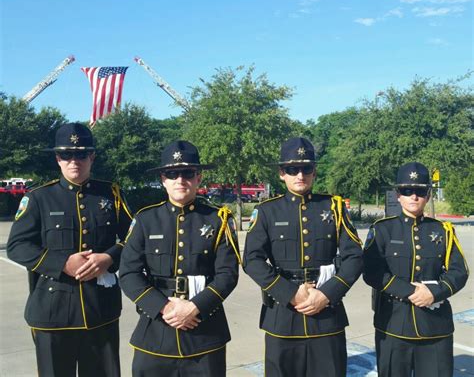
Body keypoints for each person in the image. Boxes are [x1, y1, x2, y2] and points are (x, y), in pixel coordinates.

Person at [7, 122, 133, 376]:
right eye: (67, 154)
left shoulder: (110, 194)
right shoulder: (39, 198)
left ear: (92, 156)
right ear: (57, 158)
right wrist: (62, 263)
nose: (74, 160)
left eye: (81, 154)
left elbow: (133, 238)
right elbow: (17, 246)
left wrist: (109, 257)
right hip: (52, 312)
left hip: (100, 311)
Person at [243, 137, 363, 376]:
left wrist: (327, 294)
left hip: (327, 314)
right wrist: (289, 293)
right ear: (281, 173)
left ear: (314, 171)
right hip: (283, 316)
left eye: (306, 168)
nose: (300, 175)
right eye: (292, 169)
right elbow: (251, 260)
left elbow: (355, 257)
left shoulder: (334, 207)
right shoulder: (267, 211)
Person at [119, 140, 240, 377]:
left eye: (187, 173)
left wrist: (195, 307)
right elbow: (129, 273)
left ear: (198, 177)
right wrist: (163, 308)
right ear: (163, 179)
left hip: (205, 334)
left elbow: (227, 274)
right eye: (172, 173)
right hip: (155, 333)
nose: (180, 179)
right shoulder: (145, 220)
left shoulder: (219, 219)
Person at [363, 161, 469, 377]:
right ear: (398, 195)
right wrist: (410, 292)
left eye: (420, 191)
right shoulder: (382, 230)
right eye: (407, 190)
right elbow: (372, 272)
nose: (414, 196)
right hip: (393, 326)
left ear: (428, 195)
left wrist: (434, 292)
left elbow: (459, 271)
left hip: (435, 328)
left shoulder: (443, 231)